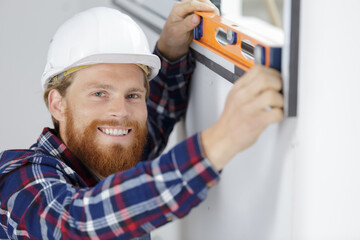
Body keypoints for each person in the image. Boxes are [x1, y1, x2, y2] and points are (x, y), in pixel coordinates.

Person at [0, 1, 284, 239]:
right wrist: (224, 138)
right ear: (57, 104)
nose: (120, 112)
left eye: (133, 95)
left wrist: (171, 50)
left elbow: (156, 117)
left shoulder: (111, 154)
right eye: (100, 93)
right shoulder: (19, 180)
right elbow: (78, 225)